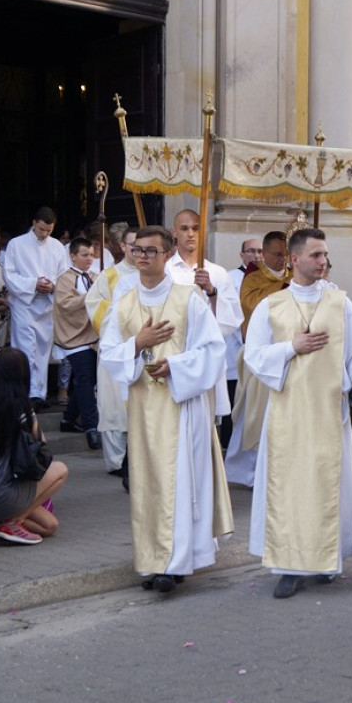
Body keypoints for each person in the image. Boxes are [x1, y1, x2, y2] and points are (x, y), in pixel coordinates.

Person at [245, 227, 352, 599]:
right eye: (316, 255)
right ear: (295, 259)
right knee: (288, 488)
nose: (323, 261)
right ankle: (289, 567)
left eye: (325, 255)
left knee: (326, 486)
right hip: (287, 413)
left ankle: (325, 561)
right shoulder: (271, 305)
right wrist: (292, 347)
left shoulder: (340, 303)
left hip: (329, 411)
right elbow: (253, 356)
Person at [100, 225, 233, 593]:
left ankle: (175, 564)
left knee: (178, 483)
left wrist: (174, 365)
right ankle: (154, 560)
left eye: (151, 251)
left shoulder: (188, 298)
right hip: (144, 407)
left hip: (182, 405)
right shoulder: (125, 302)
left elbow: (213, 351)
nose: (142, 256)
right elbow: (108, 353)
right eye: (137, 250)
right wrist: (138, 343)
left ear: (168, 254)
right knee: (149, 484)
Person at [0, 348, 67, 545]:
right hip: (2, 493)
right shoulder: (20, 408)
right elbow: (42, 450)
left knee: (50, 526)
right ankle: (11, 523)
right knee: (61, 470)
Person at [226, 231, 293, 487]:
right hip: (260, 354)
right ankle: (244, 471)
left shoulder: (294, 276)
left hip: (287, 353)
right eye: (277, 254)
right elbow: (251, 307)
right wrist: (285, 290)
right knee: (254, 414)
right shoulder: (253, 276)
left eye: (285, 254)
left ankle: (277, 469)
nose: (282, 259)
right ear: (263, 254)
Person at [165, 209, 241, 423]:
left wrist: (211, 291)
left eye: (195, 228)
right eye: (184, 228)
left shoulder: (217, 273)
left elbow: (230, 321)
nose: (190, 233)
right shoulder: (165, 271)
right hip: (176, 351)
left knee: (205, 421)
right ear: (174, 232)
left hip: (207, 355)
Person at [84, 225, 138, 479]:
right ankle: (116, 461)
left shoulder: (154, 275)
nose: (138, 251)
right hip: (117, 346)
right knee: (114, 404)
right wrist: (124, 313)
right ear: (123, 246)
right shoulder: (110, 275)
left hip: (141, 348)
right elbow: (94, 305)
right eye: (132, 245)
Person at [1, 206, 69, 405]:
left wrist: (52, 285)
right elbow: (9, 274)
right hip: (25, 303)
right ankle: (26, 393)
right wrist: (33, 284)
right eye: (41, 229)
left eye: (49, 230)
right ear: (34, 223)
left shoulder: (57, 246)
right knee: (25, 348)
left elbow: (64, 275)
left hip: (46, 304)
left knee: (42, 349)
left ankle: (39, 393)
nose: (45, 234)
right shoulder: (16, 244)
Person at [53, 238, 100, 450]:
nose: (89, 259)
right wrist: (91, 296)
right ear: (73, 256)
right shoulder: (65, 279)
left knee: (86, 380)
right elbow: (65, 305)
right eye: (84, 255)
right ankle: (91, 427)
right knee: (85, 379)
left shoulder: (95, 277)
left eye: (91, 255)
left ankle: (68, 418)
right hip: (74, 336)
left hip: (93, 335)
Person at [220, 237, 263, 449]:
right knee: (233, 400)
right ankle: (228, 447)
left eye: (260, 251)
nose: (256, 255)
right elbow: (229, 314)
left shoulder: (268, 280)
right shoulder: (230, 278)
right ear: (242, 254)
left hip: (259, 349)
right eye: (251, 251)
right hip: (235, 348)